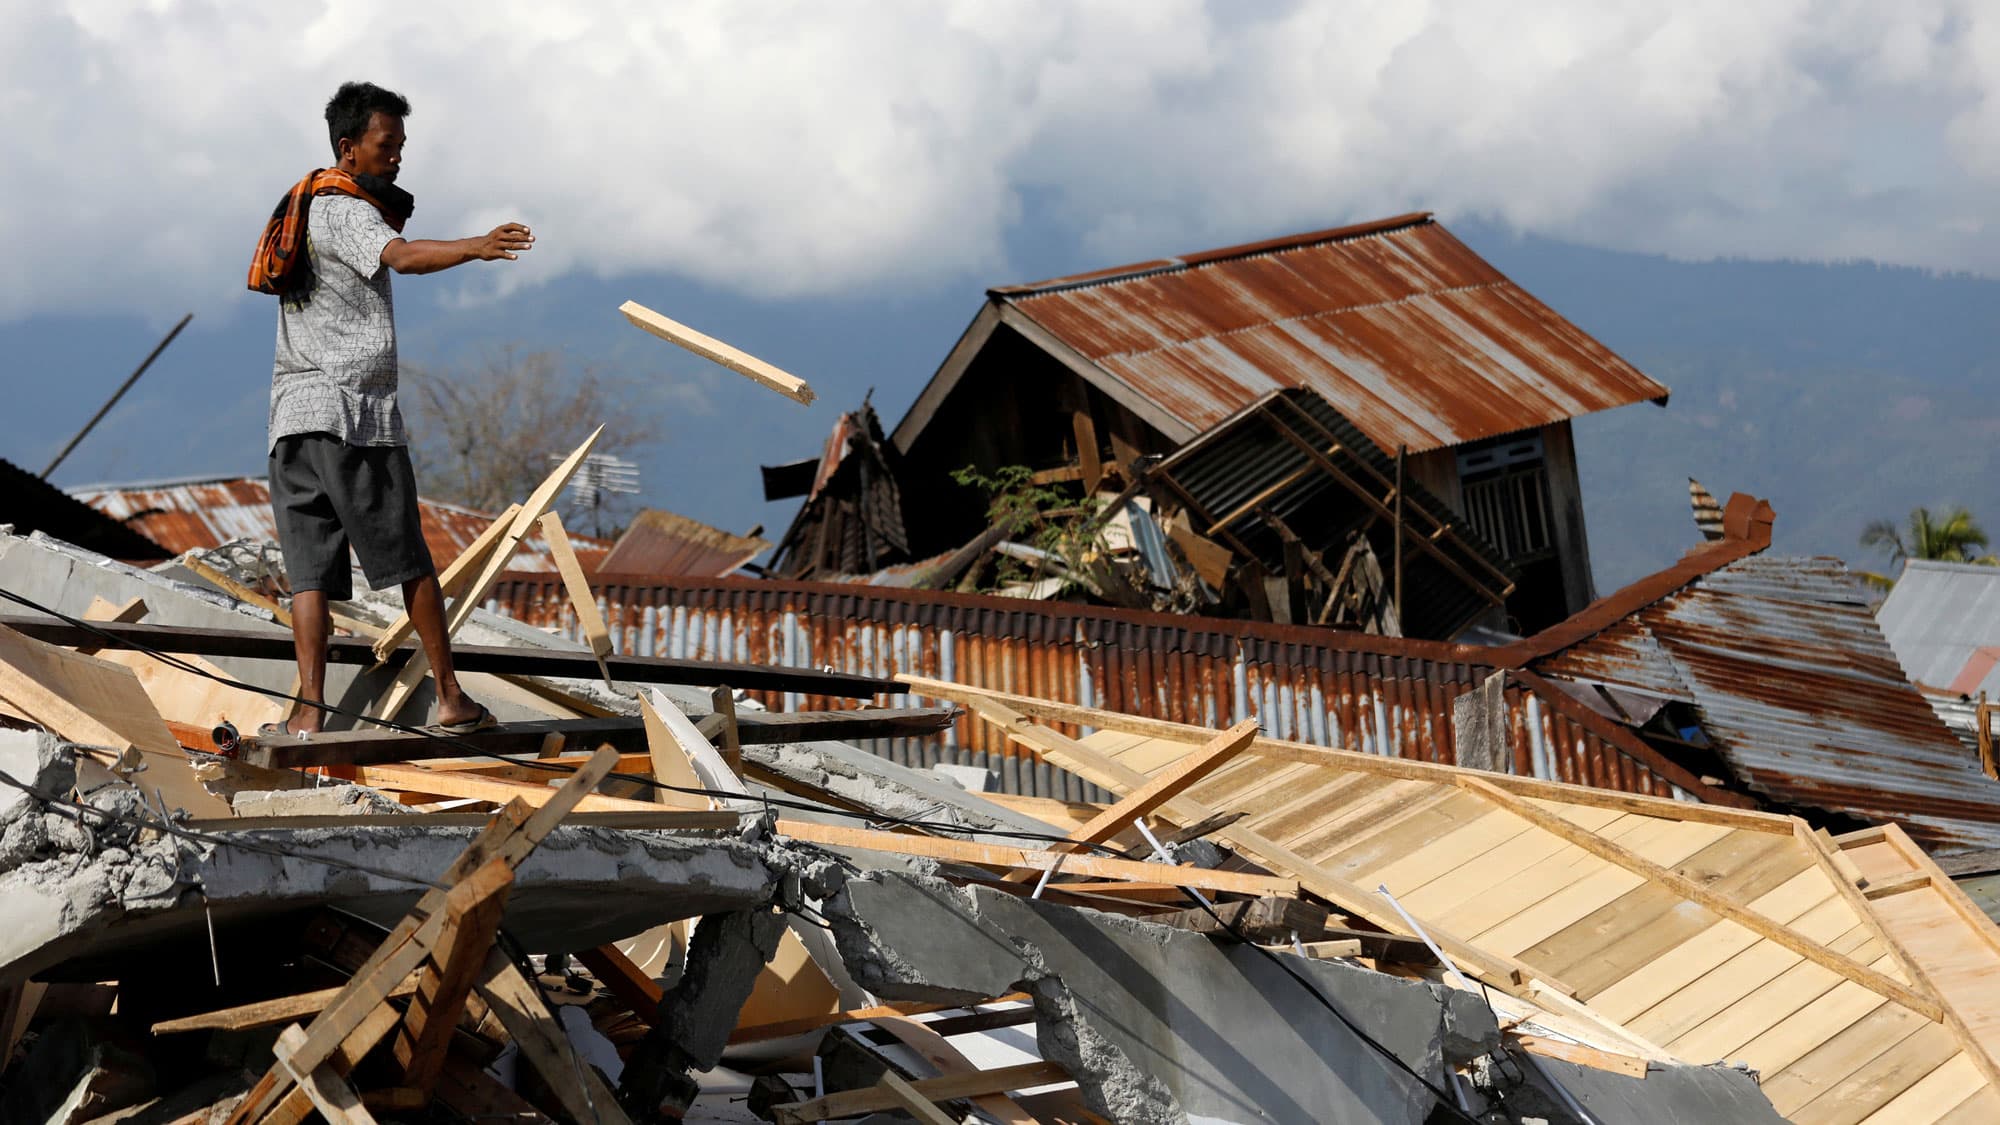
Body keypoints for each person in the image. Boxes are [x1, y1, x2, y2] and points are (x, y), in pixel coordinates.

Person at [258, 80, 534, 737]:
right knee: (409, 561)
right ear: (349, 149)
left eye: (402, 147)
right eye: (387, 146)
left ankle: (309, 711)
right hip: (353, 416)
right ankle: (449, 697)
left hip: (290, 423)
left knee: (309, 575)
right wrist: (476, 245)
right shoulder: (345, 209)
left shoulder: (299, 210)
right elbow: (403, 258)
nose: (397, 158)